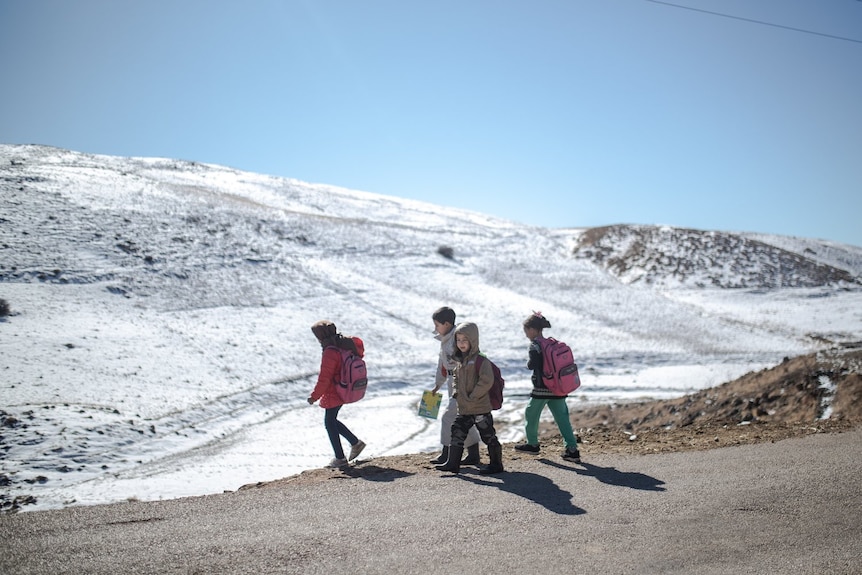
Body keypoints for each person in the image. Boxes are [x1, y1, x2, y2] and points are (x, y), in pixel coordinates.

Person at [436, 322, 504, 475]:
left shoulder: (481, 361)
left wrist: (473, 396)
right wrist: (456, 393)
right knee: (457, 431)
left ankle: (496, 463)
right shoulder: (461, 361)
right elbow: (456, 380)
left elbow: (486, 381)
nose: (461, 344)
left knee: (488, 435)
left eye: (464, 340)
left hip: (480, 407)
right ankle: (453, 463)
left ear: (473, 340)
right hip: (465, 407)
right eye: (458, 340)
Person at [515, 312, 581, 462]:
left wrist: (528, 364)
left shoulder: (535, 345)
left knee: (531, 414)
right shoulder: (550, 343)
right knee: (563, 418)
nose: (526, 334)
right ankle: (572, 449)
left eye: (526, 330)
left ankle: (532, 444)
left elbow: (534, 364)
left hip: (542, 388)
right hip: (558, 387)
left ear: (533, 329)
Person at [307, 320, 366, 468]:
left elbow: (325, 378)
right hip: (345, 387)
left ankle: (340, 458)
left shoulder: (330, 351)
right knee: (332, 420)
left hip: (335, 390)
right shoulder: (343, 345)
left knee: (329, 422)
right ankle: (355, 443)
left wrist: (314, 396)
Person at [429, 307, 481, 466]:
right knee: (463, 417)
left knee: (448, 417)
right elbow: (442, 364)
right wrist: (438, 384)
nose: (435, 328)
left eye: (437, 325)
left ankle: (446, 453)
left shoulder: (458, 338)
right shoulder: (444, 340)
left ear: (447, 323)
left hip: (463, 383)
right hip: (453, 383)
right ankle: (473, 453)